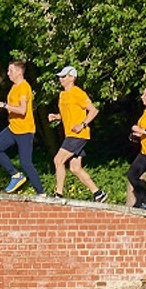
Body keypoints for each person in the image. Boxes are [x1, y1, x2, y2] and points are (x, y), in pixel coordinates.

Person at [46, 67, 106, 201]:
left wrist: (82, 125)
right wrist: (57, 116)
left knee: (58, 160)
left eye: (64, 76)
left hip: (78, 135)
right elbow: (68, 112)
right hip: (70, 135)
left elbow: (93, 111)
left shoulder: (78, 92)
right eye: (60, 77)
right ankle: (98, 193)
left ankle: (59, 194)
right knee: (75, 168)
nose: (60, 79)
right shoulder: (62, 95)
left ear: (72, 78)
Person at [0, 61, 43, 195]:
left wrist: (3, 105)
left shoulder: (24, 87)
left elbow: (22, 110)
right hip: (13, 128)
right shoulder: (14, 87)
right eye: (8, 71)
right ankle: (15, 175)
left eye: (11, 71)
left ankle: (41, 193)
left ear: (19, 72)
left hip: (25, 130)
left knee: (26, 163)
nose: (8, 74)